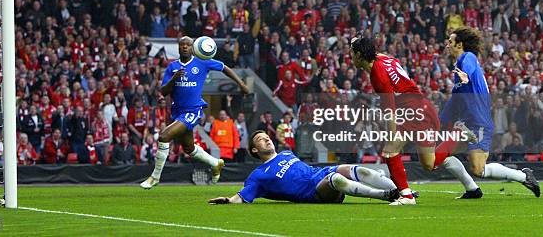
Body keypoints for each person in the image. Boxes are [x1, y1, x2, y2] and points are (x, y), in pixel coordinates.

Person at [350, 35, 477, 205]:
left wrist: (392, 134)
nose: (350, 57)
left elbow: (390, 110)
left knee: (390, 150)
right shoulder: (382, 58)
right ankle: (458, 135)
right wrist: (356, 42)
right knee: (428, 164)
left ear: (359, 55)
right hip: (419, 108)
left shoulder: (378, 75)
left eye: (352, 53)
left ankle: (407, 196)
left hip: (416, 114)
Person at [434, 27, 540, 197]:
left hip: (478, 123)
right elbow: (455, 101)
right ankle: (472, 189)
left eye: (450, 42)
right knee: (440, 156)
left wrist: (465, 76)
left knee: (478, 169)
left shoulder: (467, 58)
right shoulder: (458, 69)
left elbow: (468, 70)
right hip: (465, 125)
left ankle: (523, 176)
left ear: (459, 44)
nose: (447, 46)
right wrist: (440, 121)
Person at [141, 36, 249, 189]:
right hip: (177, 111)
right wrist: (174, 78)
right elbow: (163, 91)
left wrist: (242, 84)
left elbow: (225, 68)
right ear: (178, 48)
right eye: (182, 45)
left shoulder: (202, 62)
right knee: (189, 148)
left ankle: (155, 177)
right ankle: (215, 163)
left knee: (164, 136)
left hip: (193, 111)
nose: (185, 47)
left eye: (188, 45)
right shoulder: (172, 67)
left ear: (192, 47)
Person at [208, 130, 399, 204]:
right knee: (336, 179)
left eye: (266, 136)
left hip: (319, 174)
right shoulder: (258, 176)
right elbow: (241, 197)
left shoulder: (286, 153)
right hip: (314, 192)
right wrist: (227, 200)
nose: (266, 139)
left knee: (356, 169)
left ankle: (400, 192)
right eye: (260, 139)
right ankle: (384, 196)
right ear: (254, 149)